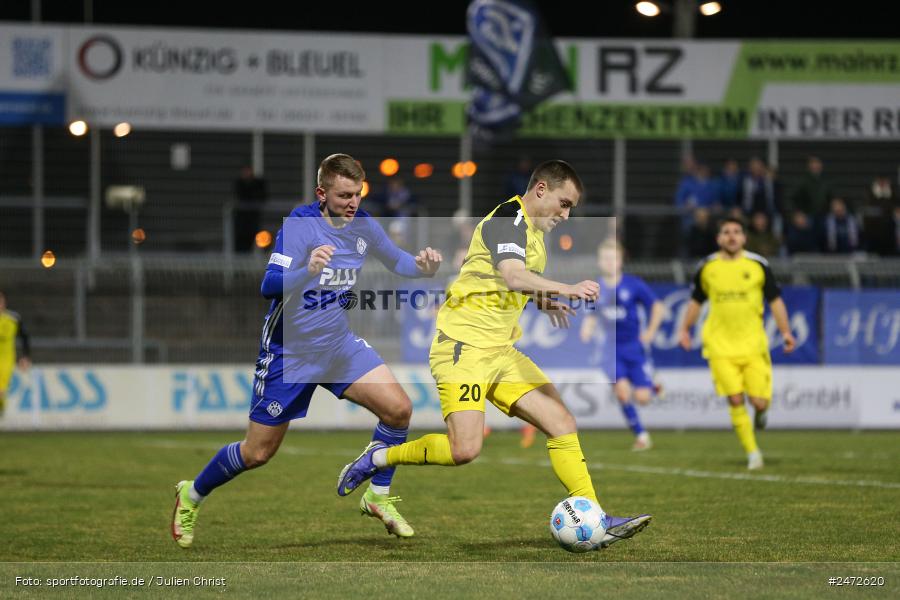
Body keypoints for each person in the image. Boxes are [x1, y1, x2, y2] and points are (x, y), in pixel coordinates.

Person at [336, 160, 652, 549]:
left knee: (562, 421)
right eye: (564, 203)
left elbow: (509, 282)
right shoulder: (509, 217)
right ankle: (378, 459)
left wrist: (543, 299)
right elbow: (512, 275)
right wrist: (567, 289)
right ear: (541, 190)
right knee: (464, 450)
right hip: (463, 348)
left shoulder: (534, 234)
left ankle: (598, 518)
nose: (567, 215)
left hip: (500, 351)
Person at [171, 154, 443, 548]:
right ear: (322, 193)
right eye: (344, 194)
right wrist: (308, 271)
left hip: (337, 346)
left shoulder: (363, 224)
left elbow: (398, 260)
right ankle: (191, 494)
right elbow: (270, 285)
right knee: (257, 452)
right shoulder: (300, 225)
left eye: (358, 194)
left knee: (399, 409)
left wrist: (423, 267)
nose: (353, 202)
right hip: (290, 353)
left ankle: (378, 496)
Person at [677, 217, 796, 470]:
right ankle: (753, 452)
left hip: (753, 345)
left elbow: (775, 301)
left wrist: (786, 332)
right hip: (719, 346)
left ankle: (761, 413)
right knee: (734, 399)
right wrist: (685, 329)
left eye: (736, 232)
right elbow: (696, 301)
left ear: (744, 237)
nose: (731, 236)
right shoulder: (707, 267)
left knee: (759, 402)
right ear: (719, 238)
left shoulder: (758, 265)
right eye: (726, 232)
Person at [579, 240, 665, 451]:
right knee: (623, 393)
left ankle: (653, 386)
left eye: (613, 258)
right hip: (610, 350)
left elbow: (657, 306)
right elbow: (591, 315)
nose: (609, 262)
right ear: (600, 261)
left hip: (634, 348)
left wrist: (651, 331)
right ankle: (642, 436)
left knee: (643, 398)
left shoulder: (633, 284)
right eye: (605, 258)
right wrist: (587, 329)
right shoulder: (594, 287)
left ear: (621, 260)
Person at [0, 291, 32, 417]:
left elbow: (24, 337)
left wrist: (25, 356)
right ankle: (2, 405)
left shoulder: (13, 318)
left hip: (6, 360)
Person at [233, 165, 268, 252]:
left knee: (255, 238)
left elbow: (263, 196)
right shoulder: (239, 183)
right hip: (241, 220)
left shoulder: (258, 183)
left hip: (254, 218)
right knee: (241, 242)